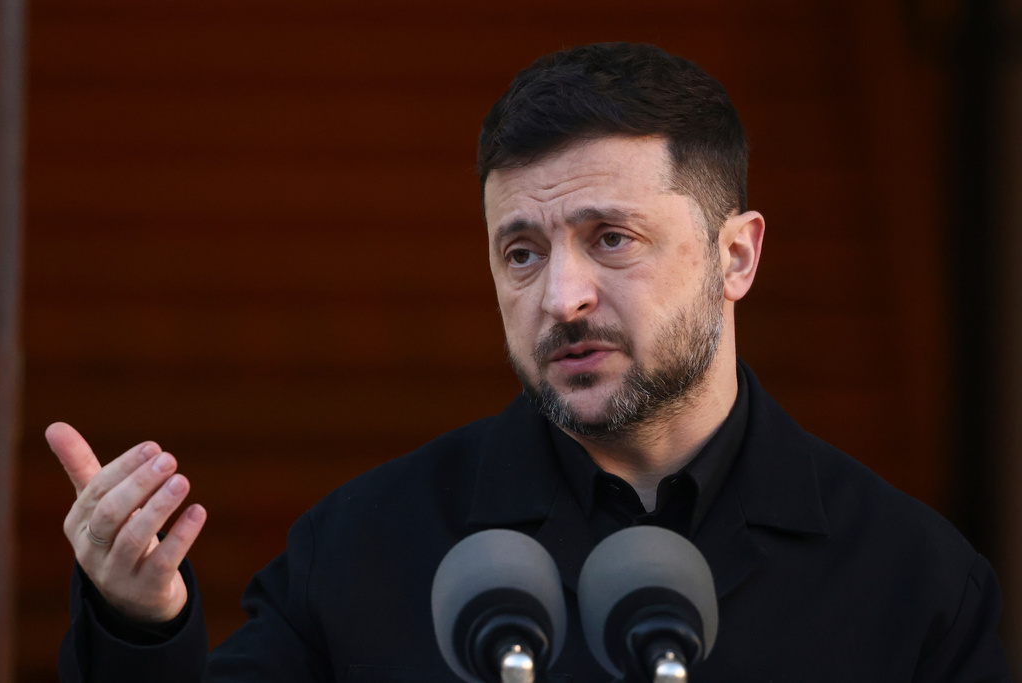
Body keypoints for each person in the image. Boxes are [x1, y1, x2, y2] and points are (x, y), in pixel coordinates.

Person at [52, 42, 1010, 682]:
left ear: (738, 256)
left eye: (612, 239)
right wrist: (138, 622)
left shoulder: (914, 585)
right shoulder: (358, 552)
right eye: (522, 252)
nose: (561, 297)